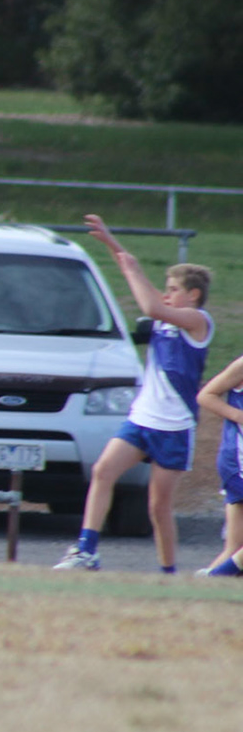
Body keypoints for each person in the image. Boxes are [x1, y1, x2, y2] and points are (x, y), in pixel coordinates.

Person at [55, 215, 213, 573]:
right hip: (142, 418)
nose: (166, 293)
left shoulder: (198, 320)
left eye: (173, 289)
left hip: (174, 426)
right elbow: (134, 270)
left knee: (158, 507)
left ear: (193, 295)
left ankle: (168, 573)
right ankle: (86, 551)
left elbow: (150, 307)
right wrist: (111, 241)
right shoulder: (170, 311)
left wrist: (143, 285)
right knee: (103, 471)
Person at [193, 354, 243, 577]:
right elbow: (206, 395)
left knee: (235, 550)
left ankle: (206, 584)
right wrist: (238, 415)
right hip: (238, 462)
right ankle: (214, 577)